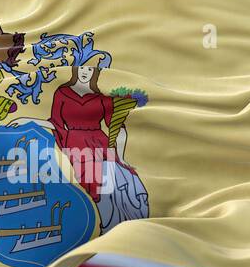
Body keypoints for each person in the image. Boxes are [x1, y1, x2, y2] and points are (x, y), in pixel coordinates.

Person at [13, 64, 149, 234]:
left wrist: (121, 157)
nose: (85, 72)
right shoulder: (62, 93)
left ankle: (128, 226)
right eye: (82, 68)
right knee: (95, 184)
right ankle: (108, 227)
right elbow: (56, 123)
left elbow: (116, 128)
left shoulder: (102, 97)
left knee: (118, 180)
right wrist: (29, 120)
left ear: (95, 73)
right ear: (75, 70)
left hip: (100, 143)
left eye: (90, 69)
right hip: (76, 145)